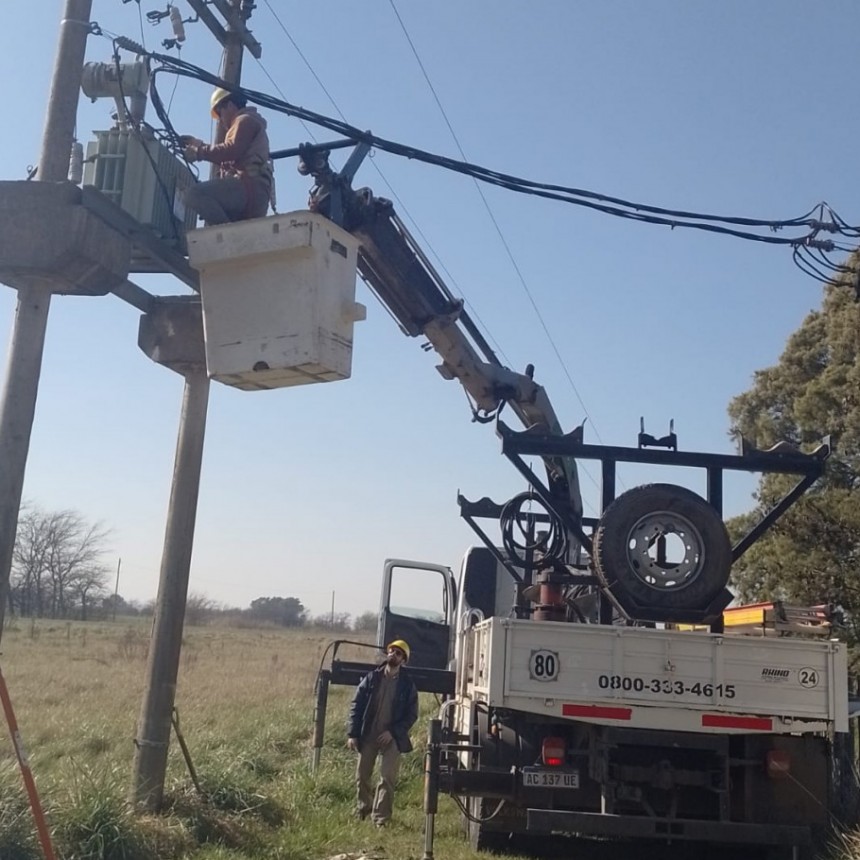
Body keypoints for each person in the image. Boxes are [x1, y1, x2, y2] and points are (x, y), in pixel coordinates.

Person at [346, 639, 419, 827]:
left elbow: (412, 715)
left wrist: (393, 732)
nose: (393, 655)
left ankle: (381, 819)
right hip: (369, 734)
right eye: (391, 651)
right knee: (362, 776)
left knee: (387, 778)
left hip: (392, 738)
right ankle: (364, 809)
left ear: (404, 660)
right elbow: (357, 705)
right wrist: (353, 733)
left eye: (398, 653)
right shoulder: (371, 678)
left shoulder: (407, 685)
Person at [181, 87, 273, 226]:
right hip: (254, 192)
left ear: (230, 105)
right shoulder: (247, 123)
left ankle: (227, 235)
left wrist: (199, 152)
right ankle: (230, 238)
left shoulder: (244, 121)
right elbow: (231, 153)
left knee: (194, 195)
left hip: (248, 187)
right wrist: (198, 144)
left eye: (219, 112)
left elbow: (230, 150)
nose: (220, 120)